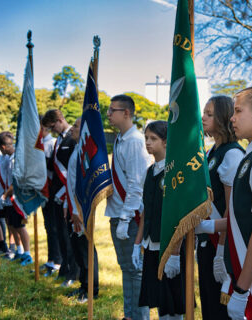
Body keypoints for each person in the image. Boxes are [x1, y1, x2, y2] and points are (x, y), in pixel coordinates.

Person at [196, 86, 252, 319]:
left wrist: (242, 289)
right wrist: (209, 227)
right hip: (243, 265)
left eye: (238, 111)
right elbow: (240, 216)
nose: (232, 118)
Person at [133, 120, 185, 320]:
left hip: (170, 245)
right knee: (160, 299)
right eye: (146, 138)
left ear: (166, 141)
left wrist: (175, 253)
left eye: (153, 139)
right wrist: (137, 243)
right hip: (151, 243)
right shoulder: (150, 171)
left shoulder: (174, 172)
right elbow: (145, 210)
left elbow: (180, 214)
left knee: (173, 301)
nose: (147, 142)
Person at [199, 96, 244, 320]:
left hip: (223, 244)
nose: (203, 117)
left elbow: (231, 207)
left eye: (209, 114)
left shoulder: (232, 153)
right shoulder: (211, 152)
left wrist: (220, 251)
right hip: (207, 238)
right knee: (208, 302)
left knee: (220, 309)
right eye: (204, 113)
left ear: (224, 117)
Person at [106, 94, 151, 320]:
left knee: (135, 271)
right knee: (127, 268)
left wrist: (125, 218)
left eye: (112, 110)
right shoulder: (121, 138)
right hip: (119, 212)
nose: (108, 115)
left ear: (126, 113)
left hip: (130, 216)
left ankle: (138, 316)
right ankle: (130, 315)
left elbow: (136, 183)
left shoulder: (134, 140)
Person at [42, 109, 79, 287]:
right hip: (57, 195)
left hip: (68, 193)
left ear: (59, 120)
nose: (53, 130)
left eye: (53, 126)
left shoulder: (73, 137)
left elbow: (72, 170)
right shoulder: (59, 140)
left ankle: (74, 272)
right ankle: (64, 268)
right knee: (60, 234)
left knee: (69, 235)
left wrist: (65, 193)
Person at [64, 117, 99, 303]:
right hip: (72, 207)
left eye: (76, 126)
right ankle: (83, 285)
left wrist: (77, 209)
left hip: (81, 208)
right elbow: (70, 181)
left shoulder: (85, 153)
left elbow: (84, 185)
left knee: (86, 250)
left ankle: (91, 289)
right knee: (78, 250)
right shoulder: (76, 149)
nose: (71, 129)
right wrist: (67, 205)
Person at [0, 132, 33, 266]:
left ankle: (28, 254)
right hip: (9, 197)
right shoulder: (8, 158)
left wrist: (5, 195)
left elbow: (16, 181)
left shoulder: (16, 158)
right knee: (11, 225)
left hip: (17, 198)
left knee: (20, 226)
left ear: (3, 147)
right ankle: (19, 250)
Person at [40, 121, 60, 276]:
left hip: (53, 190)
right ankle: (51, 258)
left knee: (54, 227)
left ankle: (57, 260)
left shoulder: (52, 143)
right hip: (43, 190)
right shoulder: (39, 144)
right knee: (48, 226)